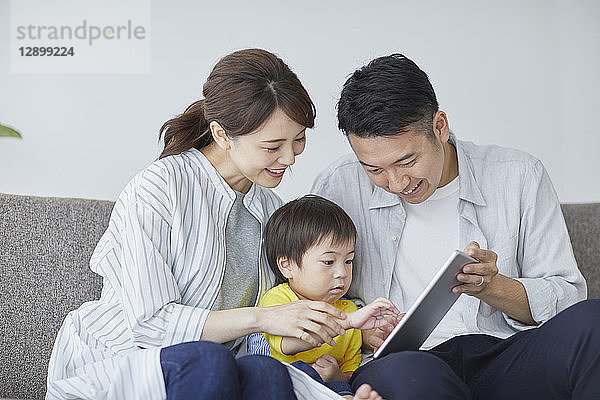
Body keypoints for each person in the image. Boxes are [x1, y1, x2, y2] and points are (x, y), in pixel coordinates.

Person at [46, 49, 349, 400]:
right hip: (125, 360)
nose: (290, 157)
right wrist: (262, 318)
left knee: (265, 369)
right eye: (273, 146)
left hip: (221, 371)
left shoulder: (270, 209)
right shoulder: (159, 188)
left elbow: (283, 316)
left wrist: (352, 324)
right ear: (221, 134)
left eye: (298, 139)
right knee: (210, 359)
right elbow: (151, 324)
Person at [311, 53, 600, 399]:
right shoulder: (337, 186)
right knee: (405, 376)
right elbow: (303, 288)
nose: (396, 182)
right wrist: (363, 327)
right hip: (405, 362)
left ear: (440, 127)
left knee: (593, 323)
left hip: (504, 354)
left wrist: (494, 287)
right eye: (374, 169)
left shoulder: (519, 174)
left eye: (407, 161)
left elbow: (567, 302)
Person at [253, 195, 399, 400]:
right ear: (287, 265)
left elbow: (350, 370)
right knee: (301, 372)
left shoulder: (349, 310)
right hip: (284, 383)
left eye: (348, 261)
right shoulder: (279, 300)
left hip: (328, 390)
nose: (342, 272)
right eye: (329, 262)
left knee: (343, 389)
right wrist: (346, 323)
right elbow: (287, 345)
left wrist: (336, 376)